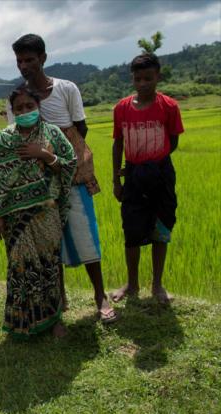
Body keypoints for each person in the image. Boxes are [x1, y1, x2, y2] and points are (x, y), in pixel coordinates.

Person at [9, 34, 118, 324]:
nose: (24, 66)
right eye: (19, 61)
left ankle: (100, 296)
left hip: (71, 172)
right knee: (49, 240)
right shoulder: (19, 97)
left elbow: (80, 128)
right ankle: (59, 299)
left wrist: (58, 157)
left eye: (30, 59)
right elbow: (16, 138)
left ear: (43, 58)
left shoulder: (66, 88)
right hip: (37, 179)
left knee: (85, 232)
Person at [0, 87, 77, 338]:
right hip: (16, 217)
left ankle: (55, 319)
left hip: (46, 212)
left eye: (29, 106)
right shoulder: (4, 139)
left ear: (38, 106)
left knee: (49, 264)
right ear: (13, 111)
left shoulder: (52, 133)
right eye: (19, 108)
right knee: (20, 267)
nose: (25, 111)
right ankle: (23, 321)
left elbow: (69, 164)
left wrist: (45, 155)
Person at [110, 52, 184, 305]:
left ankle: (157, 284)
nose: (143, 83)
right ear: (132, 78)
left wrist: (152, 164)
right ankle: (132, 284)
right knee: (131, 228)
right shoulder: (121, 108)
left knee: (161, 227)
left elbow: (172, 141)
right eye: (138, 78)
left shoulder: (169, 106)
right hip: (132, 175)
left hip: (161, 174)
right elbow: (118, 143)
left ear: (158, 77)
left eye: (148, 78)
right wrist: (116, 179)